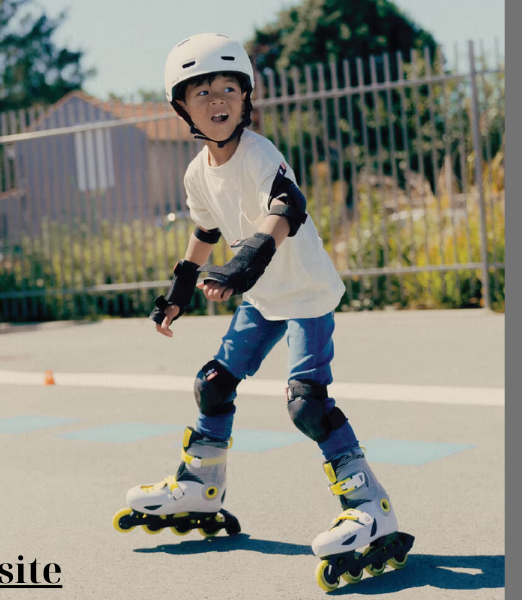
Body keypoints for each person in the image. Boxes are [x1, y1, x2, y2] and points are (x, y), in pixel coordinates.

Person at [112, 33, 412, 591]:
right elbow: (204, 231)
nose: (218, 98)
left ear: (246, 97)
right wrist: (180, 288)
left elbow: (287, 208)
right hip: (264, 298)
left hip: (305, 294)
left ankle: (371, 508)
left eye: (229, 87)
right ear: (181, 107)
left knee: (306, 403)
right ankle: (201, 486)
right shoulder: (197, 172)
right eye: (202, 91)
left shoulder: (260, 153)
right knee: (212, 383)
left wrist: (245, 262)